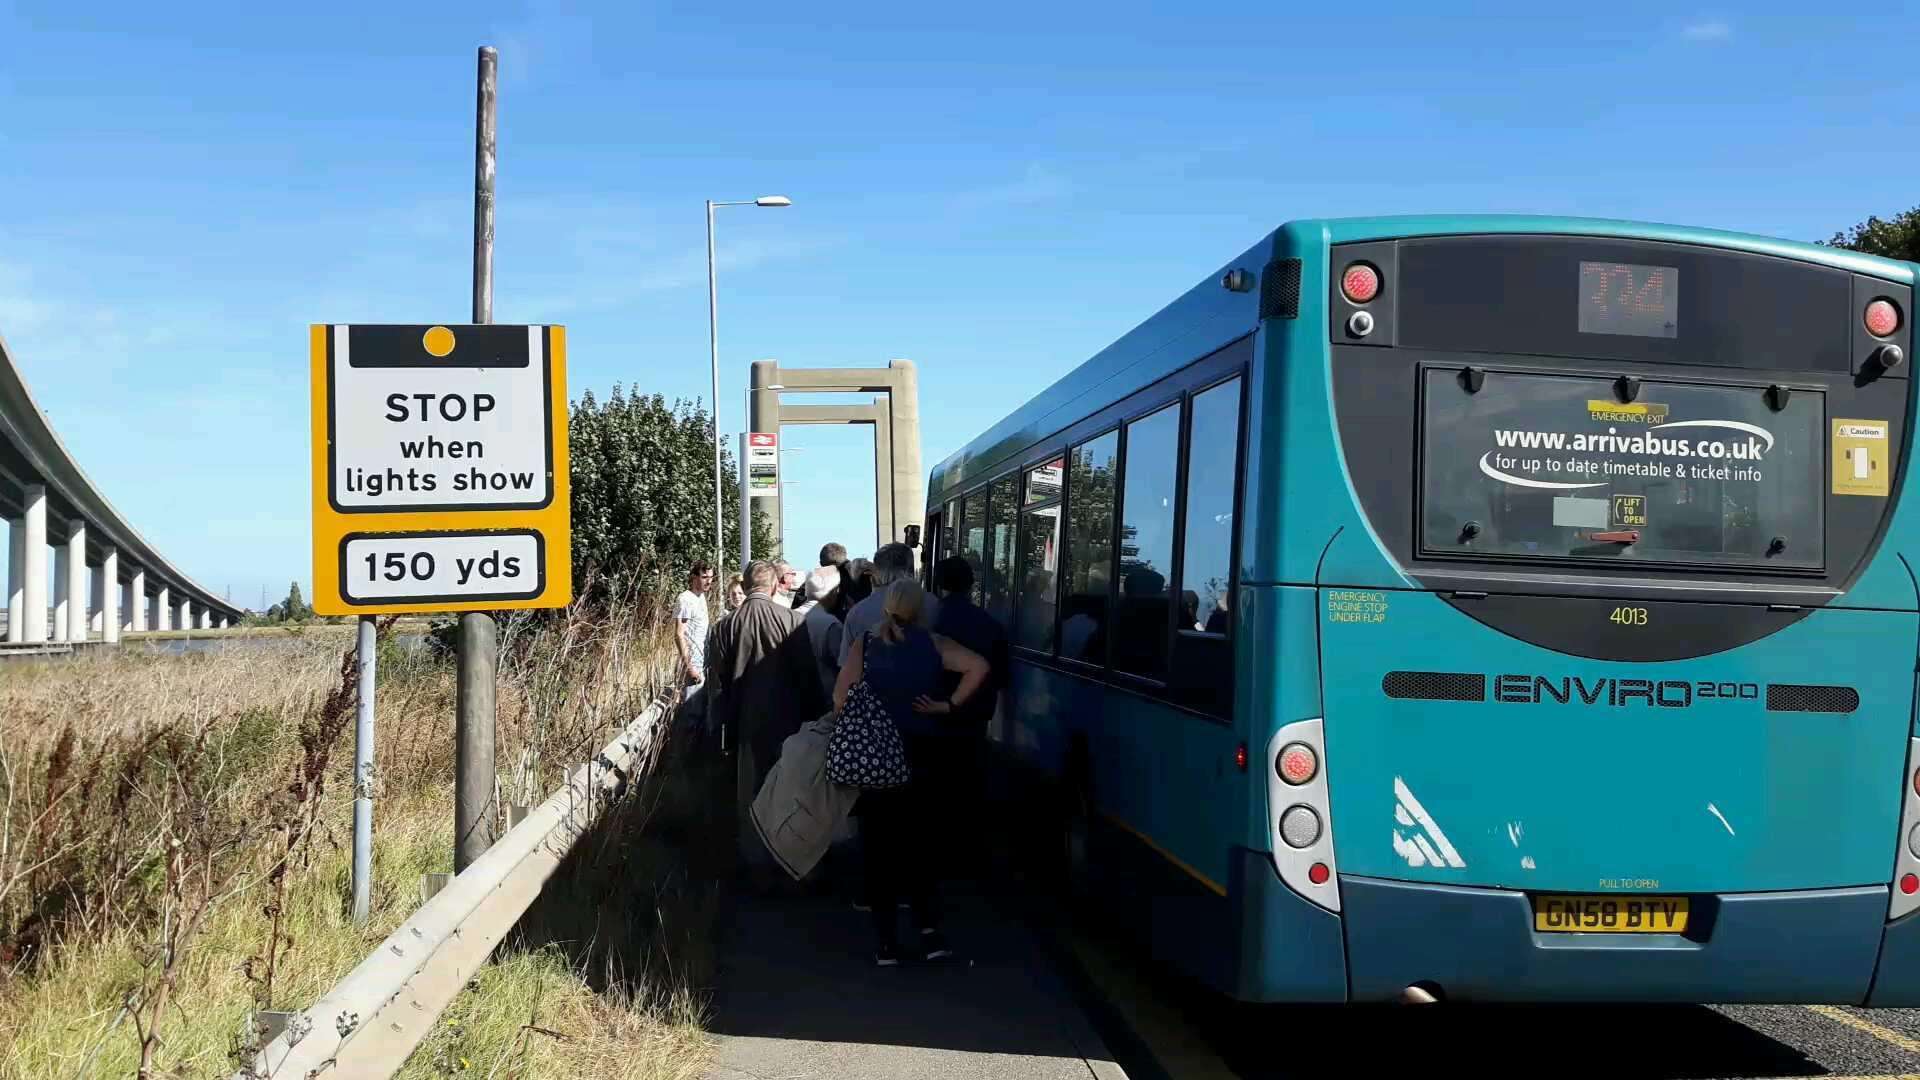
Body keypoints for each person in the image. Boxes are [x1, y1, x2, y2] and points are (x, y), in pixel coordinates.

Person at [834, 579, 989, 966]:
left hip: (877, 761)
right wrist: (947, 706)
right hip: (923, 754)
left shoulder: (866, 644)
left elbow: (840, 697)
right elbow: (979, 667)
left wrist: (863, 721)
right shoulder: (935, 644)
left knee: (880, 850)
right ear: (922, 609)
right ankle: (930, 934)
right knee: (922, 846)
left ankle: (887, 943)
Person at [710, 560, 830, 862]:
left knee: (751, 800)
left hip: (745, 724)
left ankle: (754, 866)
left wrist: (719, 733)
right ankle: (786, 862)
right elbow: (808, 676)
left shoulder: (724, 626)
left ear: (746, 586)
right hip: (789, 723)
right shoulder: (792, 621)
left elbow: (717, 687)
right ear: (775, 586)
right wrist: (819, 721)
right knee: (786, 796)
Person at [928, 556, 1009, 872]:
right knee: (970, 782)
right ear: (971, 584)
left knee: (935, 784)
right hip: (974, 717)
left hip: (930, 715)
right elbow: (1000, 677)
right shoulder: (990, 624)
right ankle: (968, 854)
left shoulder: (927, 622)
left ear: (939, 584)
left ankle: (938, 851)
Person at [839, 543, 937, 665]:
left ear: (878, 570)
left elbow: (846, 666)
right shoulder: (934, 603)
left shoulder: (856, 613)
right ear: (910, 567)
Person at [673, 563, 714, 706]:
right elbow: (679, 634)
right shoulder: (685, 599)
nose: (709, 581)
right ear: (694, 577)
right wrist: (689, 667)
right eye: (704, 577)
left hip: (703, 664)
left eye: (710, 577)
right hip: (692, 668)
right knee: (691, 715)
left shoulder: (701, 598)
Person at [800, 565, 844, 698]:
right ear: (832, 591)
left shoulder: (787, 617)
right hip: (824, 697)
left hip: (793, 697)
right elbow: (842, 663)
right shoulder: (831, 623)